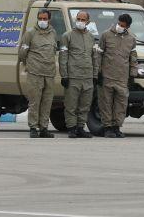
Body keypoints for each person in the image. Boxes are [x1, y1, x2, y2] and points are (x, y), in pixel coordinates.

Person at [59, 10, 100, 138]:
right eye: (78, 19)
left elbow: (94, 57)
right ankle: (71, 128)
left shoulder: (91, 37)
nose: (80, 22)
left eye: (83, 20)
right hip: (73, 76)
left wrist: (95, 75)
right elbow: (63, 57)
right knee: (71, 104)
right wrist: (64, 75)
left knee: (85, 104)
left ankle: (80, 127)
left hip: (87, 77)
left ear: (87, 21)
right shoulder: (67, 36)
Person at [19, 9, 59, 138]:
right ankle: (33, 127)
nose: (42, 21)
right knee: (35, 101)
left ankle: (43, 128)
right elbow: (22, 53)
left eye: (45, 18)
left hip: (49, 73)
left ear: (49, 19)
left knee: (47, 102)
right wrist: (30, 65)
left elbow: (54, 51)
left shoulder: (53, 32)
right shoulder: (30, 33)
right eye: (40, 18)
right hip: (35, 72)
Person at [99, 13, 137, 138]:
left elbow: (133, 58)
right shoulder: (106, 35)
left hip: (122, 78)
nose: (120, 26)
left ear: (128, 27)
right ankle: (107, 128)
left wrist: (132, 75)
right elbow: (98, 55)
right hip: (107, 76)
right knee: (106, 103)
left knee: (121, 104)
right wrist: (98, 73)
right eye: (119, 24)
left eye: (123, 26)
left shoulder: (131, 38)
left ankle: (116, 127)